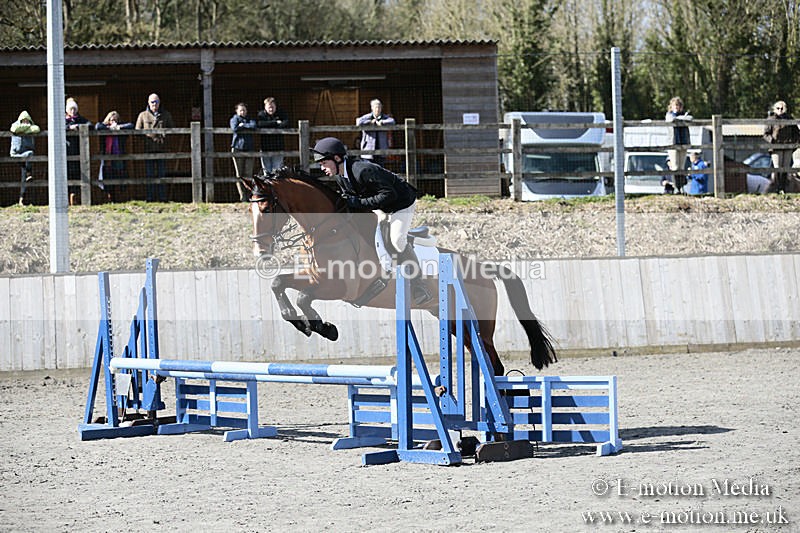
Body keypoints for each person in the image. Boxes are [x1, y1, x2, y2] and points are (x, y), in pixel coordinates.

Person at [311, 136, 432, 305]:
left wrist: (358, 203)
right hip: (381, 204)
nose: (321, 167)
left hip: (400, 203)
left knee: (397, 240)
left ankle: (419, 284)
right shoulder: (339, 175)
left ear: (337, 158)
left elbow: (389, 195)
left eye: (324, 163)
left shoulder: (362, 170)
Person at [135, 93, 175, 202]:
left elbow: (172, 129)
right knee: (150, 174)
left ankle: (162, 198)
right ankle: (150, 198)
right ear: (148, 102)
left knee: (162, 174)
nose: (154, 104)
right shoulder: (143, 115)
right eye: (152, 102)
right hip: (148, 149)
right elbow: (137, 131)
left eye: (156, 102)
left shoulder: (165, 115)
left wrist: (165, 135)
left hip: (162, 148)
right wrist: (146, 138)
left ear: (159, 102)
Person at [95, 111, 134, 202]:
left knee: (120, 175)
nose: (113, 121)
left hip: (119, 156)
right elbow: (97, 126)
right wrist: (109, 128)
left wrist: (118, 127)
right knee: (108, 177)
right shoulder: (104, 128)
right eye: (111, 120)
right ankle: (110, 198)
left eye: (115, 120)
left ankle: (121, 198)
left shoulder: (120, 128)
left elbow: (131, 125)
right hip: (108, 157)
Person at [762, 100, 800, 193]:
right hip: (776, 147)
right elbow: (766, 134)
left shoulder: (790, 119)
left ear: (785, 109)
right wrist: (773, 141)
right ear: (775, 109)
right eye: (778, 108)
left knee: (786, 168)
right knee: (777, 168)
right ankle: (777, 188)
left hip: (787, 147)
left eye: (782, 108)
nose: (780, 110)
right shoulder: (771, 119)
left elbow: (796, 133)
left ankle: (783, 188)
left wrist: (794, 143)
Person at [9, 110, 40, 206]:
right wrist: (26, 128)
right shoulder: (15, 125)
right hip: (16, 154)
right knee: (24, 173)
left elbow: (36, 129)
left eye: (27, 121)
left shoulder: (32, 126)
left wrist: (24, 129)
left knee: (23, 175)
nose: (26, 122)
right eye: (24, 120)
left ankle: (21, 199)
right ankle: (28, 174)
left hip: (26, 154)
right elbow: (14, 129)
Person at [65, 98, 92, 205]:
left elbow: (91, 125)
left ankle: (75, 198)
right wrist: (69, 128)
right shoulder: (63, 119)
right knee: (66, 175)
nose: (73, 111)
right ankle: (66, 199)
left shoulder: (79, 119)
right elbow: (57, 127)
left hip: (78, 150)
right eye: (71, 109)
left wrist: (80, 127)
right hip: (65, 151)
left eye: (74, 109)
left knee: (77, 174)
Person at [230, 102, 257, 202]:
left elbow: (253, 126)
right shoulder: (234, 119)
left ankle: (249, 195)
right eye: (240, 110)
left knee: (248, 174)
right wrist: (244, 126)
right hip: (237, 148)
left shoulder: (250, 119)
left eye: (244, 110)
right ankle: (242, 197)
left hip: (249, 148)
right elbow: (235, 128)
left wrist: (243, 125)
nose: (243, 112)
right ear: (237, 111)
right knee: (239, 174)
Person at [664, 96, 692, 193]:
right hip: (673, 143)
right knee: (675, 166)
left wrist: (681, 118)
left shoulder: (684, 115)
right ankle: (676, 188)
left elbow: (690, 118)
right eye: (675, 105)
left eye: (679, 105)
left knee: (681, 167)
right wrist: (680, 118)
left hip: (683, 142)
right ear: (671, 106)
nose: (677, 107)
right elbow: (671, 120)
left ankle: (682, 187)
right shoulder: (669, 114)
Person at [356, 99, 395, 166]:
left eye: (379, 107)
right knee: (369, 169)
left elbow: (392, 121)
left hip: (381, 149)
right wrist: (370, 122)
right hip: (368, 149)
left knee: (380, 170)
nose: (377, 109)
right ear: (372, 108)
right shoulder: (368, 117)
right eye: (376, 107)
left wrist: (382, 122)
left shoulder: (384, 117)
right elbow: (358, 122)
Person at [256, 97, 289, 174]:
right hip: (265, 147)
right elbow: (259, 124)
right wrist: (275, 123)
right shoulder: (261, 115)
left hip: (278, 147)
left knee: (277, 171)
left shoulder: (281, 113)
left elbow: (286, 123)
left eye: (272, 107)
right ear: (265, 107)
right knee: (266, 171)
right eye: (269, 107)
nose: (271, 109)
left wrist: (269, 125)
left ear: (275, 106)